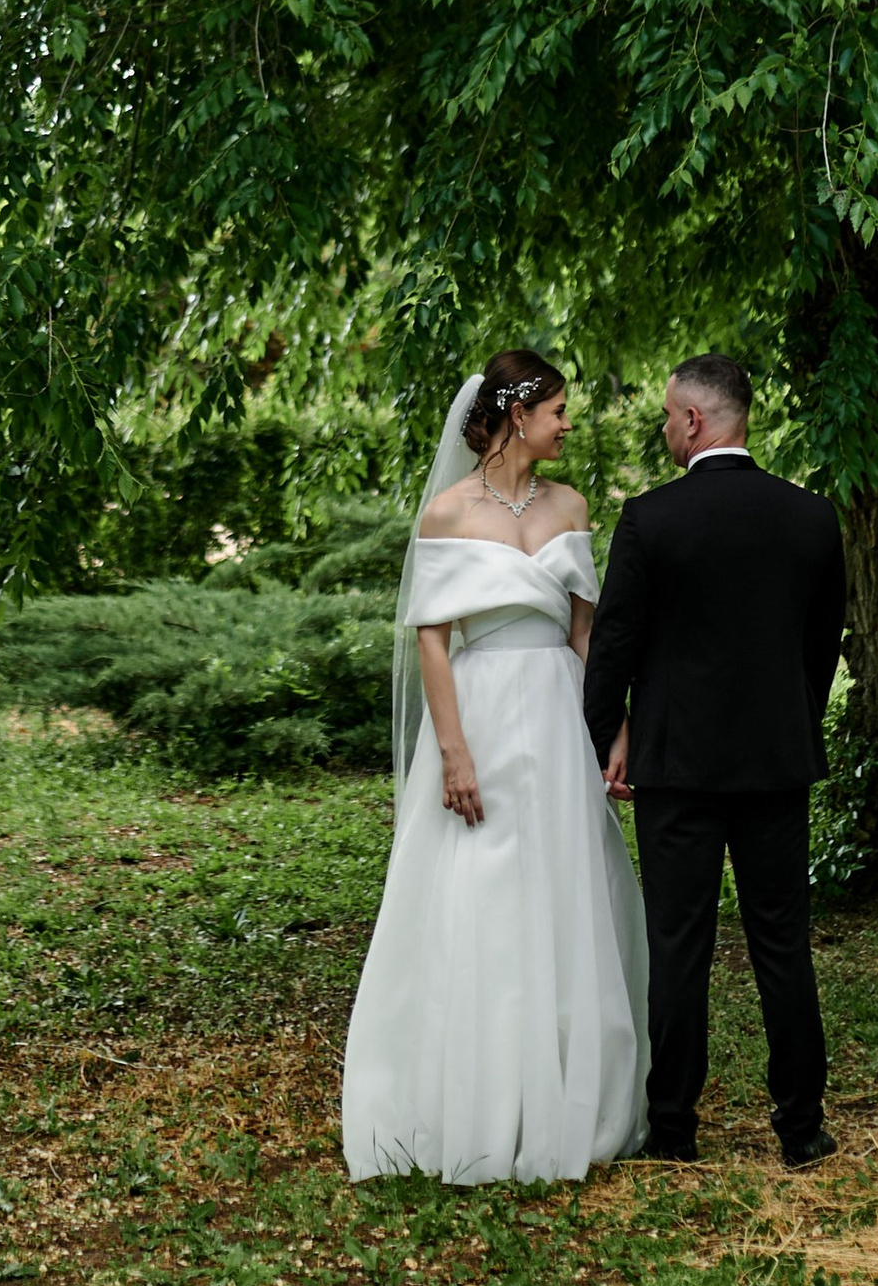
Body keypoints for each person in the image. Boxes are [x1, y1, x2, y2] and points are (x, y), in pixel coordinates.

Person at [341, 353, 649, 1185]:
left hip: (554, 710)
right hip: (477, 710)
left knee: (560, 889)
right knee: (479, 890)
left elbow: (585, 634)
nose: (567, 423)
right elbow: (432, 635)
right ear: (517, 414)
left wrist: (612, 727)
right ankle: (470, 1098)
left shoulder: (572, 505)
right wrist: (453, 750)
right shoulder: (447, 513)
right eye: (557, 409)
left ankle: (563, 1097)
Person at [580, 354, 846, 1169]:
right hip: (775, 764)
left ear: (694, 420)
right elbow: (820, 646)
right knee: (782, 945)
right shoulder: (810, 516)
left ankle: (674, 1131)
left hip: (677, 769)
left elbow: (613, 649)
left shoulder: (649, 520)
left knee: (679, 947)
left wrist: (606, 741)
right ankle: (801, 1130)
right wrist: (788, 725)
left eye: (667, 415)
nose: (663, 427)